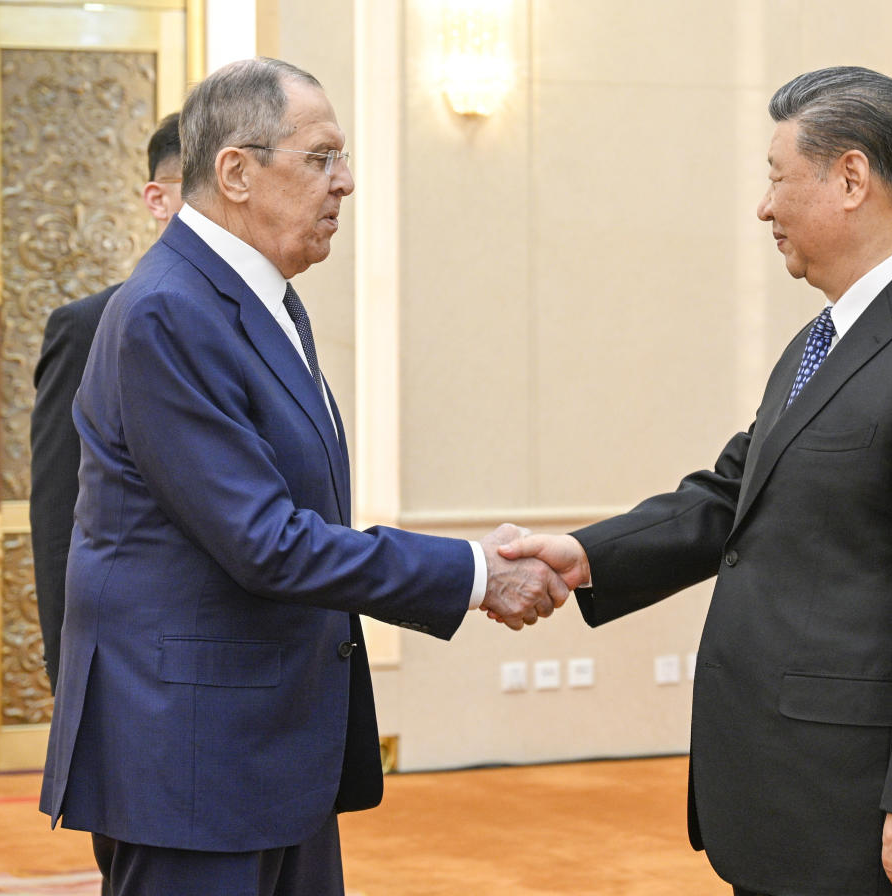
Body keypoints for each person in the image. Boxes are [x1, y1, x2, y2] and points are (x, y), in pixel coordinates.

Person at [499, 66, 892, 896]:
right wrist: (585, 554)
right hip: (792, 800)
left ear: (852, 178)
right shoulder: (825, 339)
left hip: (870, 813)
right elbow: (733, 495)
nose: (764, 206)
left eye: (776, 178)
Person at [39, 57, 565, 896]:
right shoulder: (168, 311)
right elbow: (267, 543)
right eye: (321, 158)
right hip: (194, 765)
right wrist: (474, 574)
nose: (345, 183)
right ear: (237, 172)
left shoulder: (261, 297)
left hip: (267, 753)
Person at [29, 108, 183, 896]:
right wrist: (76, 682)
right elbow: (62, 522)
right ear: (158, 199)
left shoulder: (274, 323)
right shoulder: (91, 325)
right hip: (126, 689)